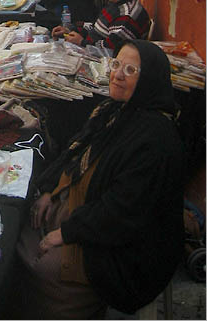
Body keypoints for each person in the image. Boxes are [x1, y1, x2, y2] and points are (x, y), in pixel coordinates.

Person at [17, 39, 185, 319]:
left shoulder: (155, 140)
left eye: (131, 70)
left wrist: (67, 233)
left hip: (129, 249)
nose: (118, 74)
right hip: (91, 213)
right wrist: (49, 189)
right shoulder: (112, 112)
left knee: (44, 267)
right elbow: (74, 150)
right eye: (116, 64)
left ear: (150, 81)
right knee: (23, 229)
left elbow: (124, 211)